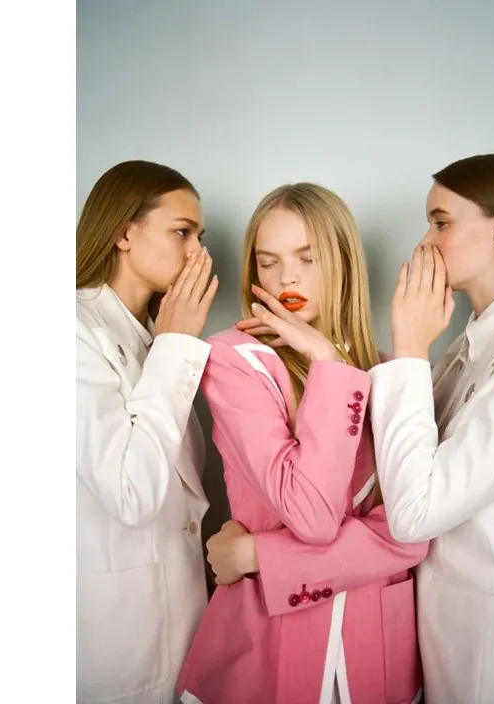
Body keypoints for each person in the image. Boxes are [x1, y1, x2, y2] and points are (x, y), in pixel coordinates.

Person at [176, 183, 426, 704]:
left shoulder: (388, 372)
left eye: (306, 258)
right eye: (268, 262)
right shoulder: (234, 361)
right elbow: (311, 515)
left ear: (342, 261)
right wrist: (330, 368)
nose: (286, 277)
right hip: (268, 647)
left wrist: (257, 555)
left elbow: (413, 535)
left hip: (377, 651)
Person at [371, 153, 494, 703]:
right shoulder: (466, 344)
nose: (424, 243)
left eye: (442, 222)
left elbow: (416, 512)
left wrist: (408, 346)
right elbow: (402, 458)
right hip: (445, 626)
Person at [76, 160, 219, 704]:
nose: (197, 254)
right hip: (117, 634)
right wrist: (177, 345)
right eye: (181, 232)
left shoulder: (151, 337)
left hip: (179, 614)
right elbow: (131, 491)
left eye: (200, 236)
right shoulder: (72, 329)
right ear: (123, 232)